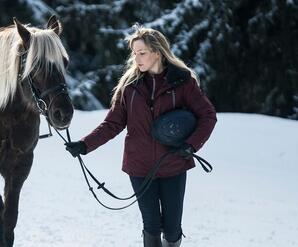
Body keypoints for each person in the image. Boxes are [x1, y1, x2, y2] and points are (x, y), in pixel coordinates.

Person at [64, 24, 217, 247]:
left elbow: (208, 116)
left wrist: (191, 145)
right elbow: (112, 124)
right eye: (134, 53)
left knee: (173, 229)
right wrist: (84, 145)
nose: (137, 58)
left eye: (142, 53)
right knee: (151, 226)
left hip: (174, 164)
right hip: (140, 167)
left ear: (158, 52)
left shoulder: (183, 82)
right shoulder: (129, 87)